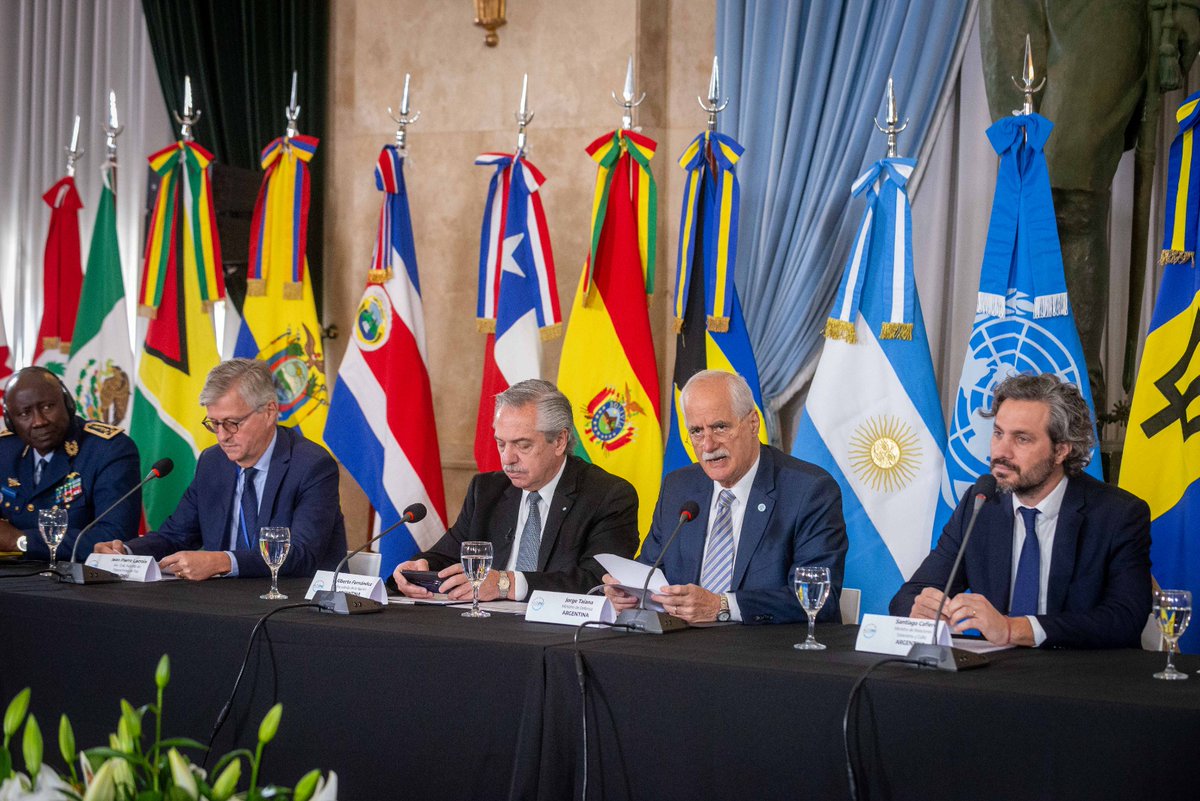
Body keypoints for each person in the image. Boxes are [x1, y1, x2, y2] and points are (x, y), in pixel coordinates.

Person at [890, 373, 1152, 649]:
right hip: (994, 677)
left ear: (1061, 450)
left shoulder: (1117, 515)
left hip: (1079, 678)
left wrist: (1014, 629)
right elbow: (908, 596)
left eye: (1022, 439)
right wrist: (921, 610)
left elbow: (1125, 619)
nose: (1001, 451)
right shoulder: (980, 504)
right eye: (998, 433)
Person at [604, 370, 848, 625]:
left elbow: (819, 600)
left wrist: (722, 606)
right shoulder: (679, 488)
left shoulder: (808, 490)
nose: (708, 445)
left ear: (753, 423)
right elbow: (652, 573)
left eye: (720, 427)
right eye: (697, 431)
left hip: (767, 652)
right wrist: (630, 592)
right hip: (682, 649)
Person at [94, 358, 346, 580]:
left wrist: (222, 562)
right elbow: (177, 535)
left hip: (295, 604)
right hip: (224, 604)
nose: (222, 436)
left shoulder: (311, 465)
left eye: (232, 423)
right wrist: (125, 551)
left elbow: (302, 554)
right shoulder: (212, 462)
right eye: (214, 423)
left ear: (270, 412)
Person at [392, 379, 639, 602]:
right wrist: (421, 567)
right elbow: (448, 556)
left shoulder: (608, 496)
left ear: (560, 441)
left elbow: (599, 581)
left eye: (523, 445)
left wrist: (506, 584)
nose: (508, 458)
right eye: (501, 444)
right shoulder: (486, 490)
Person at [0, 366, 140, 559]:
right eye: (24, 414)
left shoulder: (108, 450)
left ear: (68, 404)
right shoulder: (5, 450)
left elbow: (115, 538)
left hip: (82, 581)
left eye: (47, 407)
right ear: (10, 422)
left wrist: (21, 540)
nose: (39, 421)